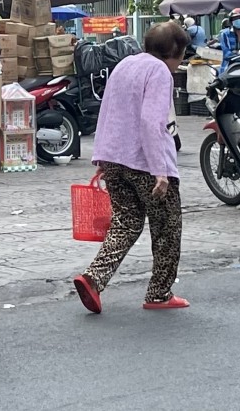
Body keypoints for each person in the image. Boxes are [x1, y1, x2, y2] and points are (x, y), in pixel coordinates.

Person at [73, 21, 191, 314]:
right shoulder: (160, 72)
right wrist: (160, 170)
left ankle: (94, 278)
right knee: (166, 227)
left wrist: (102, 157)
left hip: (114, 159)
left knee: (125, 223)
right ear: (174, 51)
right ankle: (159, 293)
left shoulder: (125, 65)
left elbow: (109, 110)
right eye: (182, 55)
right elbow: (152, 122)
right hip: (145, 163)